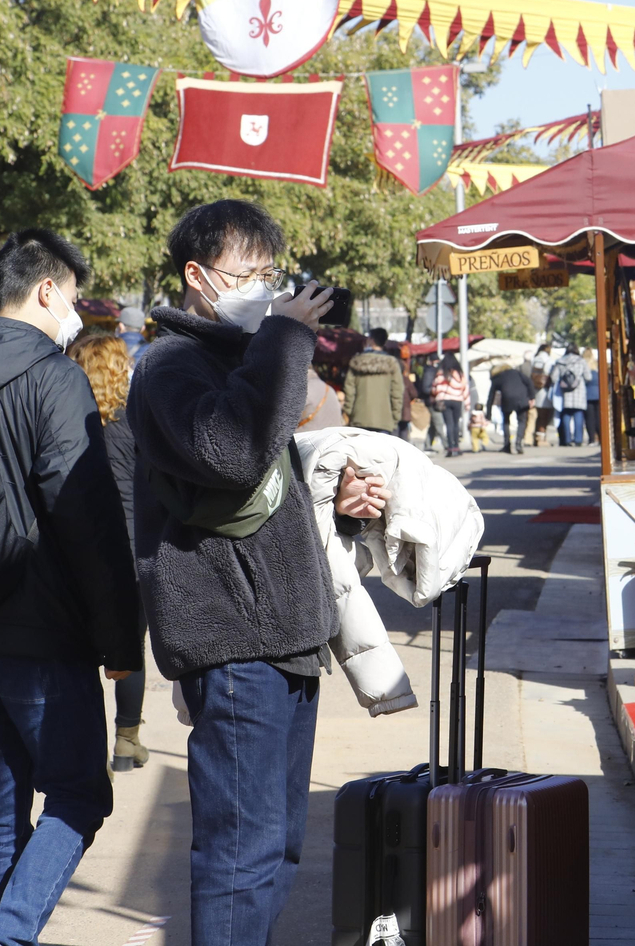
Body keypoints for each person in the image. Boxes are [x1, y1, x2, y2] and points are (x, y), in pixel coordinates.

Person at [128, 200, 387, 946]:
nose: (269, 291)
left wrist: (341, 506)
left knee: (276, 851)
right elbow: (230, 453)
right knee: (241, 856)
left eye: (272, 275)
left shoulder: (233, 361)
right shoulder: (170, 366)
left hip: (281, 637)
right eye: (251, 275)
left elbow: (261, 497)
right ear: (197, 278)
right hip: (235, 641)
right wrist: (284, 335)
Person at [0, 229, 141, 945]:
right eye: (73, 295)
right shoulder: (54, 377)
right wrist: (119, 641)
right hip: (41, 626)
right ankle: (8, 935)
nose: (75, 310)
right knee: (78, 793)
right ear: (48, 290)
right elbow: (88, 520)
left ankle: (0, 934)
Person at [67, 333, 152, 773]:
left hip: (79, 546)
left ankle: (83, 747)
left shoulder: (67, 416)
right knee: (129, 648)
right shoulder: (137, 415)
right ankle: (126, 741)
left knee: (80, 649)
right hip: (133, 546)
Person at [342, 327, 403, 433]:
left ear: (371, 340)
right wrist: (395, 417)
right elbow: (397, 393)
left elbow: (349, 390)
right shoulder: (392, 363)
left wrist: (348, 412)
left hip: (359, 418)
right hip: (384, 419)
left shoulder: (357, 361)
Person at [486, 360, 532, 454]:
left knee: (506, 421)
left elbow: (491, 397)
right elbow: (529, 383)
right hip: (521, 399)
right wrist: (532, 397)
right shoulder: (517, 373)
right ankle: (518, 442)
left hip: (507, 399)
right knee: (522, 421)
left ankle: (507, 445)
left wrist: (488, 414)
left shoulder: (498, 377)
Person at [430, 353, 468, 459]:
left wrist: (435, 397)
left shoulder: (441, 373)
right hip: (457, 400)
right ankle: (457, 447)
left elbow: (435, 388)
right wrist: (467, 403)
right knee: (456, 424)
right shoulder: (459, 373)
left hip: (445, 401)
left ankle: (450, 448)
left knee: (449, 424)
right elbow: (465, 388)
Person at [551, 344, 590, 446]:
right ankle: (578, 440)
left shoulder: (560, 361)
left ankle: (567, 439)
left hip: (564, 393)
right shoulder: (581, 361)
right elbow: (588, 376)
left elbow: (553, 377)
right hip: (579, 392)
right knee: (578, 415)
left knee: (566, 415)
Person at [388, 342, 417, 441]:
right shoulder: (406, 379)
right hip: (405, 411)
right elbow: (414, 393)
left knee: (394, 435)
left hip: (392, 411)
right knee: (404, 434)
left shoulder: (389, 379)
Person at [530, 344, 555, 446]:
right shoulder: (549, 360)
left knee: (538, 415)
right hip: (545, 389)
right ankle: (541, 438)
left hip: (535, 389)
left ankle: (535, 437)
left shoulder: (534, 359)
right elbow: (552, 374)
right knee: (545, 416)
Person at [418, 354, 444, 452]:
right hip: (432, 401)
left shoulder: (431, 371)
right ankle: (448, 445)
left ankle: (428, 445)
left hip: (432, 401)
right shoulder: (429, 372)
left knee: (433, 425)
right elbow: (425, 388)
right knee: (439, 423)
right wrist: (436, 390)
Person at [586, 365, 601, 445]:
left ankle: (591, 439)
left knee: (589, 418)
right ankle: (601, 438)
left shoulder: (586, 369)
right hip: (599, 394)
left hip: (587, 395)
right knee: (598, 417)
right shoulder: (597, 370)